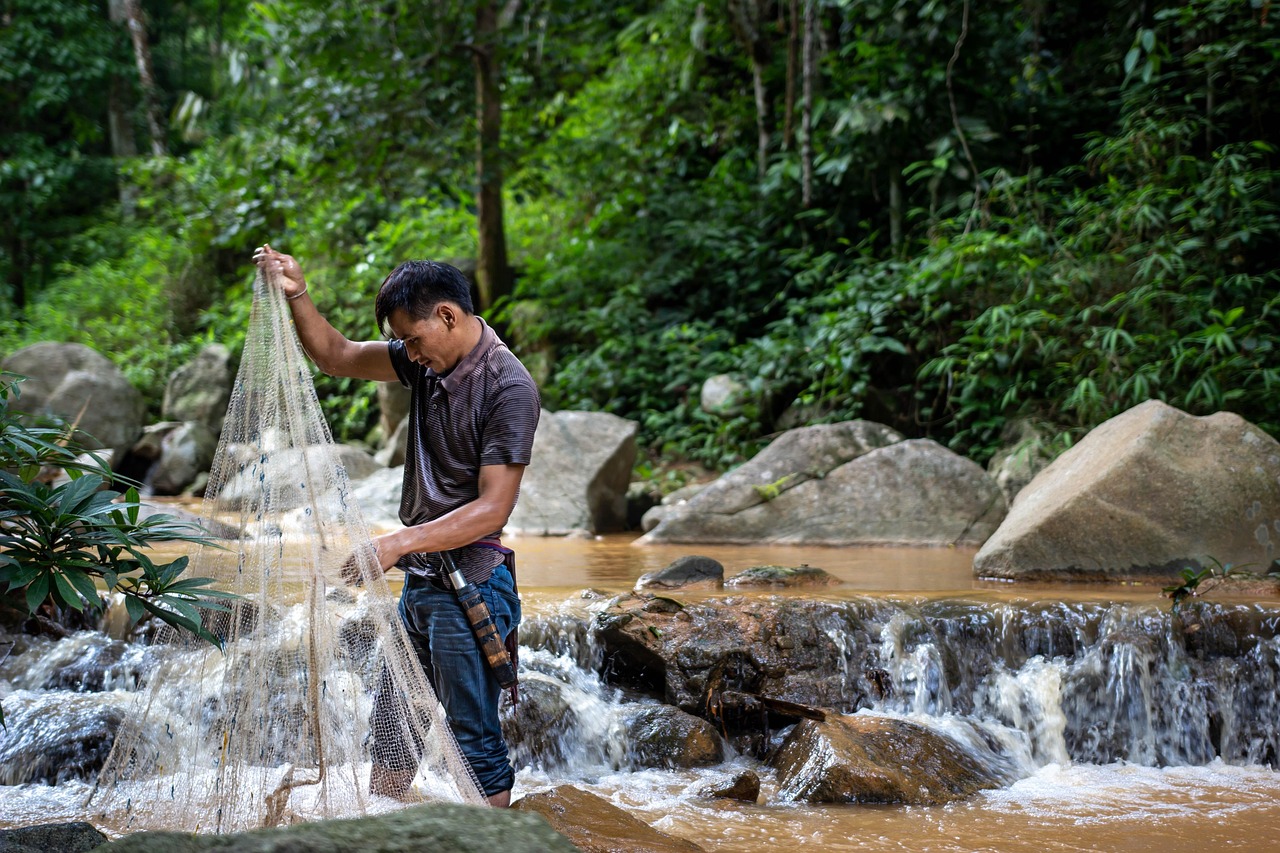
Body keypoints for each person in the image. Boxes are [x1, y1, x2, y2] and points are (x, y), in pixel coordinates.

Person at [253, 243, 540, 808]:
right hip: (422, 585)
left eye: (412, 339)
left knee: (475, 747)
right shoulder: (426, 357)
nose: (408, 353)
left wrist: (394, 543)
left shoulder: (508, 387)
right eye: (402, 342)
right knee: (389, 744)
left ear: (449, 316)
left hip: (471, 588)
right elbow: (336, 356)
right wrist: (299, 294)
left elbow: (493, 509)